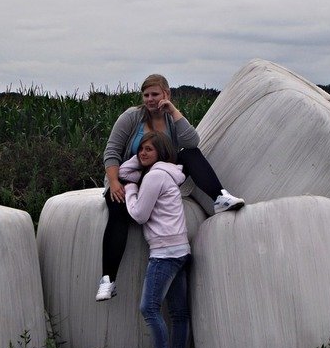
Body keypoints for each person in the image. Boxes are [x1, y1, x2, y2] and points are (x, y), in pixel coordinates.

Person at [96, 74, 244, 301]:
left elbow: (192, 141)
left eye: (155, 94)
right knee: (117, 211)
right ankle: (108, 279)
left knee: (191, 154)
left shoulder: (171, 119)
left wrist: (173, 112)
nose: (150, 99)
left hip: (162, 176)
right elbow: (112, 151)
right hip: (131, 176)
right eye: (146, 95)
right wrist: (115, 182)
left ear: (166, 94)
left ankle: (219, 197)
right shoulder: (131, 117)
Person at [119, 131, 190, 348]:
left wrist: (129, 191)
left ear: (161, 150)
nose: (142, 153)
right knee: (179, 313)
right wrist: (139, 161)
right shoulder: (168, 173)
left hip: (164, 253)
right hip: (180, 248)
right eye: (140, 149)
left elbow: (139, 214)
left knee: (148, 308)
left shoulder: (155, 176)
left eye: (149, 149)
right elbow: (126, 170)